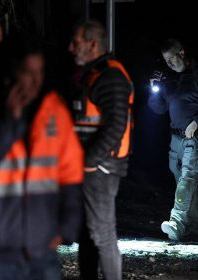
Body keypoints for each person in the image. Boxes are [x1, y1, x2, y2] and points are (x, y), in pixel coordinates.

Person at [0, 36, 84, 280]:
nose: (35, 81)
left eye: (39, 72)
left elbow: (70, 171)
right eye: (27, 72)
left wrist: (67, 227)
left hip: (40, 252)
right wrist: (8, 120)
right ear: (8, 72)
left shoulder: (53, 109)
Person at [68, 20, 134, 280]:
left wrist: (89, 161)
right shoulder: (96, 73)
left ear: (92, 44)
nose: (70, 47)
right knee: (89, 232)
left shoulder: (110, 75)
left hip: (100, 169)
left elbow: (117, 123)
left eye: (76, 42)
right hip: (93, 167)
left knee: (102, 234)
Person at [148, 38, 198, 242]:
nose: (170, 63)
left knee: (188, 180)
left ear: (182, 53)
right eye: (166, 60)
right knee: (186, 184)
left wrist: (197, 122)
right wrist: (154, 88)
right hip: (176, 139)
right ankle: (197, 230)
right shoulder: (170, 80)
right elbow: (158, 108)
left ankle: (177, 221)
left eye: (172, 58)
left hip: (196, 137)